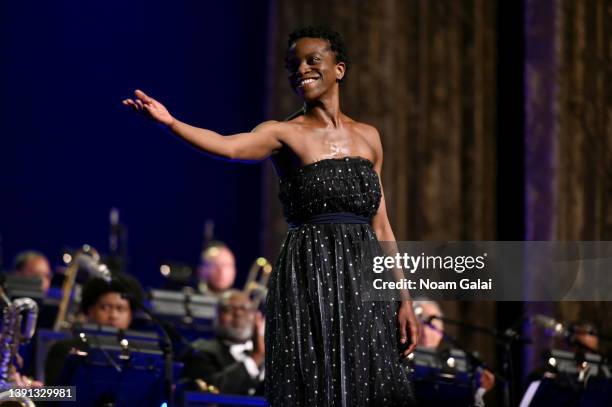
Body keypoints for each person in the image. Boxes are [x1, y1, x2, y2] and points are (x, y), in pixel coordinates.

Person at [123, 25, 418, 406]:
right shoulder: (283, 133)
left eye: (313, 60)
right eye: (293, 64)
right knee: (319, 384)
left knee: (370, 382)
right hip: (310, 273)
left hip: (362, 277)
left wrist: (404, 298)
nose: (301, 69)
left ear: (339, 69)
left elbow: (382, 225)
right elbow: (228, 147)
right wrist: (171, 123)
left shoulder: (369, 137)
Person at [44, 274, 143, 385]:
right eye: (105, 307)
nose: (113, 315)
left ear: (130, 315)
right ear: (89, 310)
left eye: (121, 309)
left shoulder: (139, 355)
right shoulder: (65, 349)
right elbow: (52, 395)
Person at [181, 290, 265, 395]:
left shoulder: (273, 355)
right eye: (229, 309)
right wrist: (255, 358)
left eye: (245, 309)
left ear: (257, 317)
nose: (238, 314)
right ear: (216, 315)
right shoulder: (200, 351)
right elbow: (207, 393)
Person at [413, 299, 495, 406]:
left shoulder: (461, 361)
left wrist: (480, 389)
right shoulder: (399, 361)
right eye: (419, 321)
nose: (425, 330)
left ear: (442, 327)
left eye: (432, 321)